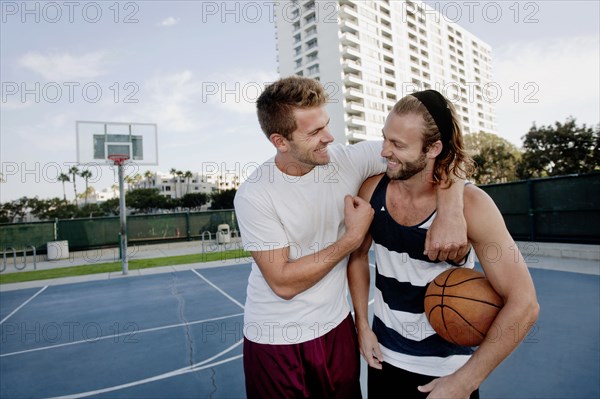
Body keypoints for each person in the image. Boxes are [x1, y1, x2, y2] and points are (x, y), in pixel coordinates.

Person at [233, 77, 469, 398]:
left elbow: (431, 151)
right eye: (314, 132)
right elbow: (283, 282)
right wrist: (350, 239)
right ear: (281, 141)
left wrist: (453, 208)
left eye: (326, 125)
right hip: (276, 338)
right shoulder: (256, 194)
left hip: (336, 328)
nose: (328, 137)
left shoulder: (346, 160)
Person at [348, 89, 540, 398]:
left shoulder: (473, 205)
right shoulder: (372, 190)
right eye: (385, 138)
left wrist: (466, 380)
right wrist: (363, 326)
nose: (384, 151)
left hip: (447, 373)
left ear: (433, 148)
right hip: (384, 360)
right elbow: (357, 256)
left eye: (398, 144)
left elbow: (525, 304)